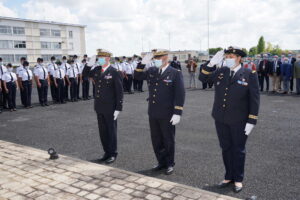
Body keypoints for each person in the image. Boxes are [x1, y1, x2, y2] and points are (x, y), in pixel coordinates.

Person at [199, 47, 260, 193]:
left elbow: (255, 99)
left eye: (231, 56)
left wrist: (252, 120)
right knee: (226, 148)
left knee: (238, 150)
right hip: (221, 118)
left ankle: (238, 179)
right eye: (227, 56)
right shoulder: (221, 71)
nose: (228, 58)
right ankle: (228, 176)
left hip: (240, 120)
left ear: (239, 58)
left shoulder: (249, 74)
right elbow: (203, 78)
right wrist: (210, 64)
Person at [135, 49, 185, 175]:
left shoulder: (175, 73)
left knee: (168, 139)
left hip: (168, 113)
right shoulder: (152, 71)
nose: (156, 60)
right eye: (155, 58)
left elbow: (180, 94)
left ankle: (169, 163)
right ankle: (161, 162)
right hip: (153, 111)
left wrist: (177, 112)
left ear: (166, 58)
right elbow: (137, 76)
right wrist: (142, 63)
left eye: (159, 58)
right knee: (156, 139)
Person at [91, 49, 123, 164]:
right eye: (98, 57)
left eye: (101, 57)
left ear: (108, 58)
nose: (99, 59)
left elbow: (119, 91)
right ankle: (106, 152)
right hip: (99, 107)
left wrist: (118, 108)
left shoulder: (114, 72)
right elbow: (85, 75)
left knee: (111, 131)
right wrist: (89, 64)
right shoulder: (96, 70)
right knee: (103, 132)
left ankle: (113, 153)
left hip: (111, 108)